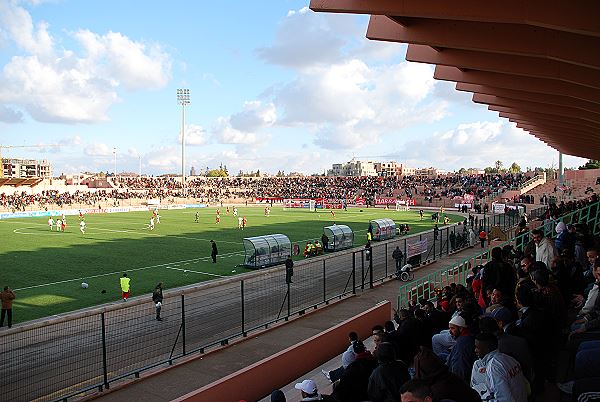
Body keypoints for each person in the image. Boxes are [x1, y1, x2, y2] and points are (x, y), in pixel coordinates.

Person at [470, 333, 527, 402]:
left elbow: (504, 399)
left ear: (487, 348)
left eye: (477, 347)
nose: (475, 350)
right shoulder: (509, 359)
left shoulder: (494, 366)